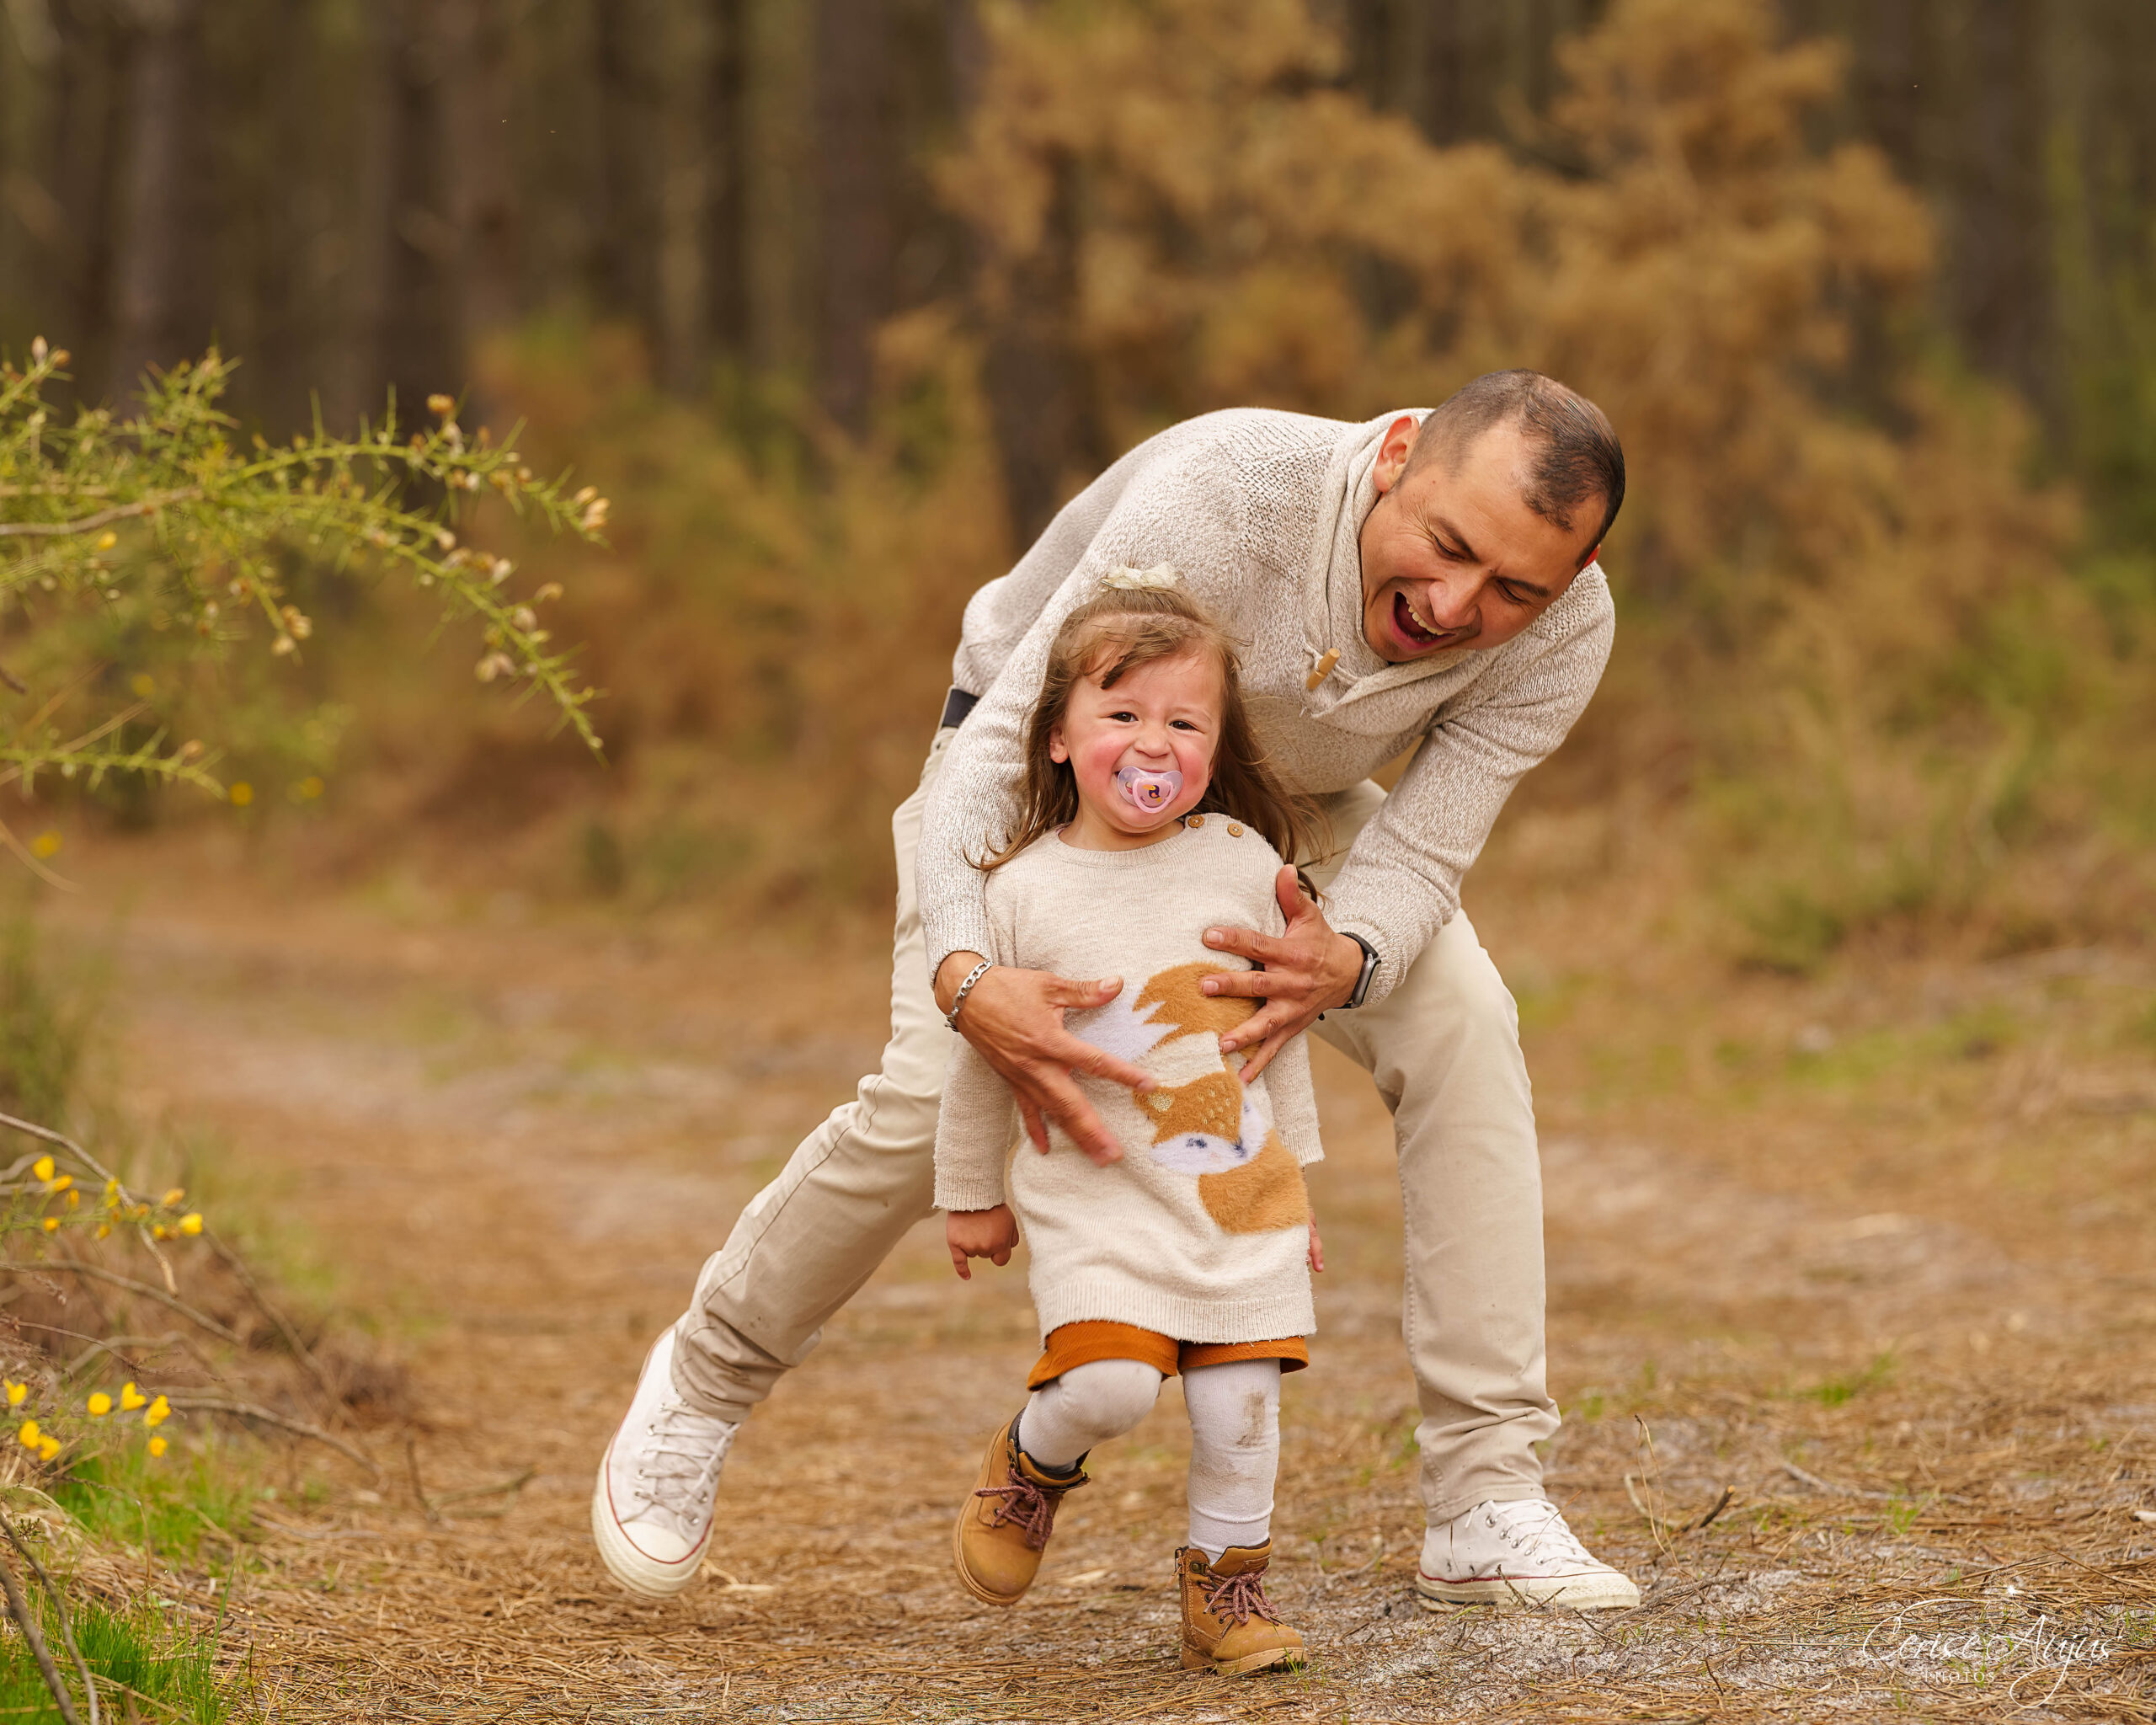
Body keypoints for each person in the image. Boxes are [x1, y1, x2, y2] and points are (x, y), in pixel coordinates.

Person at [594, 369, 1640, 1613]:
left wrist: (1345, 958)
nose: (1455, 604)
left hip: (1285, 806)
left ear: (1567, 582)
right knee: (935, 1093)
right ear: (1399, 454)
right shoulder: (1228, 492)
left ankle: (1485, 1497)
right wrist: (968, 977)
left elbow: (1421, 847)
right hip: (1054, 754)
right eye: (1446, 545)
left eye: (1514, 588)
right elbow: (993, 745)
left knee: (1463, 1020)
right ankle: (703, 1385)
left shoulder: (1570, 630)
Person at [940, 573, 1326, 1675]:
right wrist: (969, 1193)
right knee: (1108, 1386)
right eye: (1122, 714)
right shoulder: (1020, 892)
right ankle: (1030, 1462)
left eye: (1183, 721)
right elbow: (981, 1063)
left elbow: (1275, 1035)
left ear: (1215, 745)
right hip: (1098, 1195)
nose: (1151, 741)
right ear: (1060, 736)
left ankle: (1226, 1590)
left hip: (1239, 1188)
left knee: (1241, 1410)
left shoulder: (1246, 866)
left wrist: (1297, 1182)